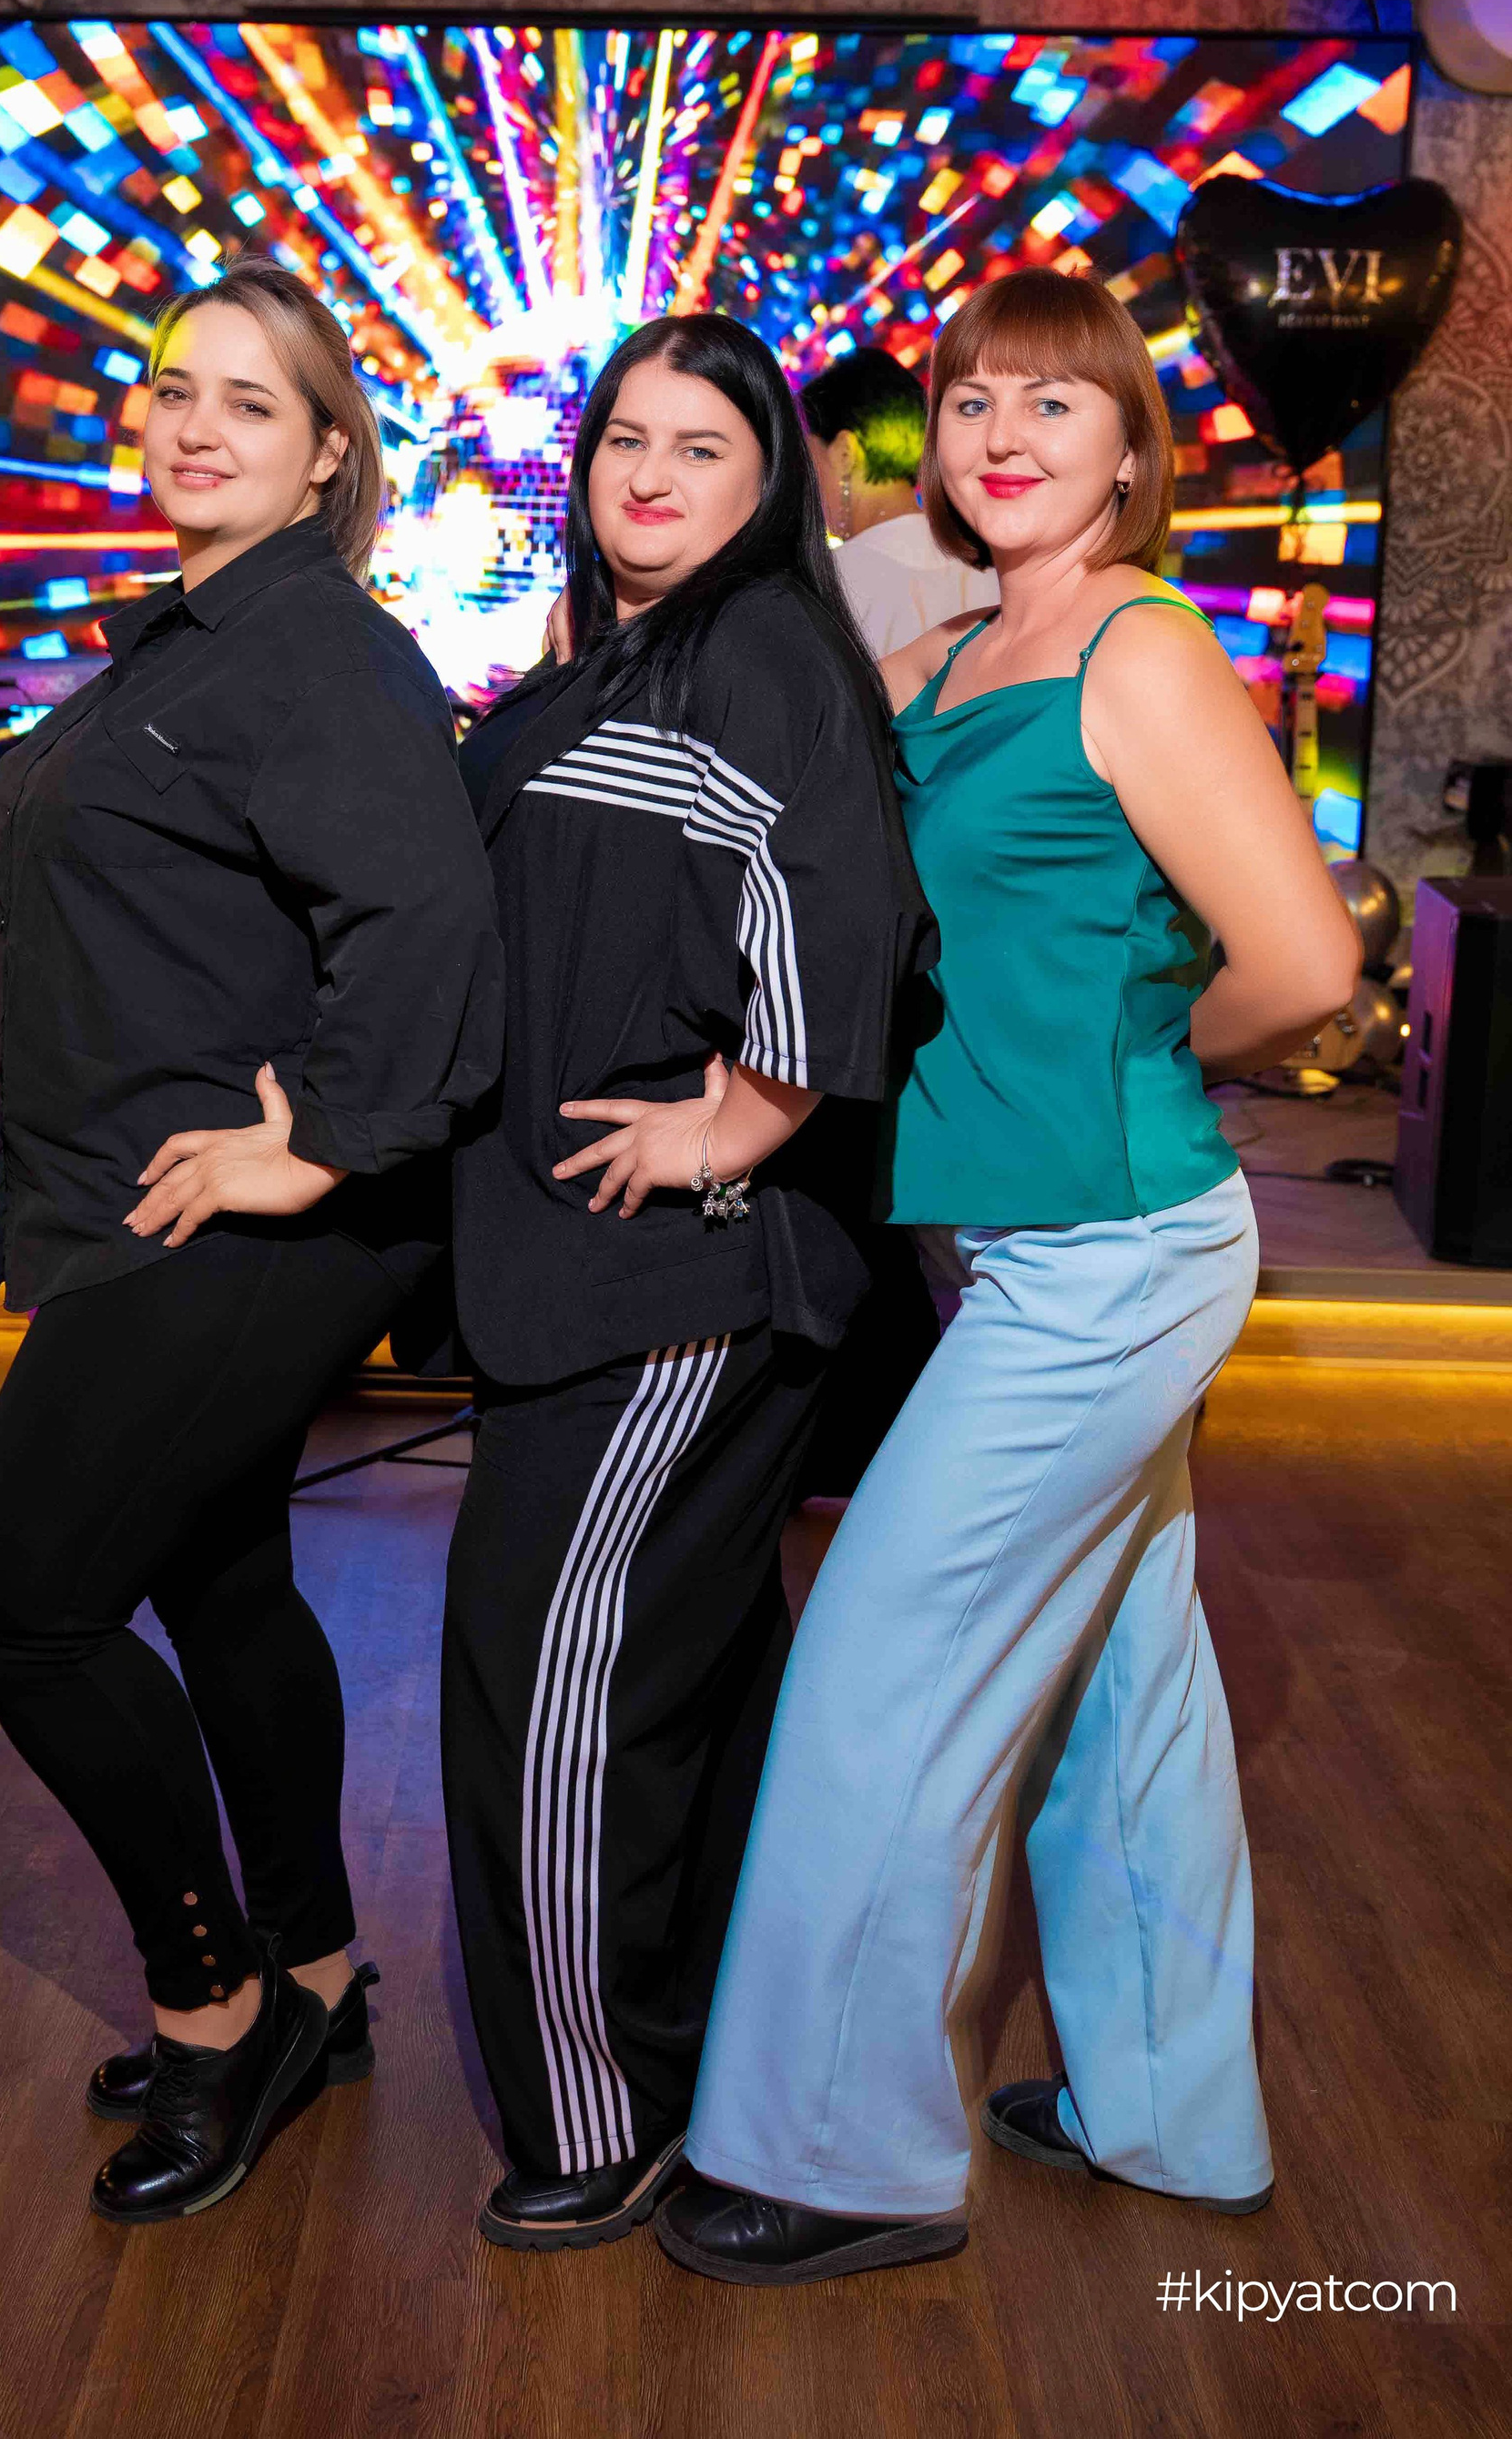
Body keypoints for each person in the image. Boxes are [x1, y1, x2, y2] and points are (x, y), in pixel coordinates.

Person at [661, 268, 1362, 2286]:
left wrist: (1128, 1047)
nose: (1004, 433)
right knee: (1130, 1680)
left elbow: (1307, 967)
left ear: (1133, 450)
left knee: (880, 1665)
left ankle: (846, 2154)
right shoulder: (964, 648)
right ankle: (1171, 2113)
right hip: (1006, 1241)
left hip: (1116, 1249)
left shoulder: (1141, 648)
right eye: (975, 400)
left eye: (1057, 403)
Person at [0, 259, 502, 2226]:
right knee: (224, 1580)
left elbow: (430, 919)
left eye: (251, 402)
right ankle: (319, 1978)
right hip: (140, 1198)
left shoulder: (314, 647)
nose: (196, 424)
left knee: (21, 1608)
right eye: (177, 387)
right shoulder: (188, 640)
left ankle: (217, 2011)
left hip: (234, 1225)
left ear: (330, 453)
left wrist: (319, 1144)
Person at [441, 313, 934, 2252]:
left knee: (552, 1703)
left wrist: (736, 1124)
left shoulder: (757, 650)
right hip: (584, 1270)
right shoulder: (625, 656)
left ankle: (608, 2111)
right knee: (688, 1693)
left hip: (669, 1285)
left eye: (701, 446)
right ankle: (723, 2064)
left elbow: (844, 908)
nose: (648, 475)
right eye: (623, 439)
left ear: (770, 479)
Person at [800, 348, 996, 657]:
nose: (805, 483)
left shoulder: (824, 585)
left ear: (844, 453)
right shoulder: (986, 559)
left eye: (809, 460)